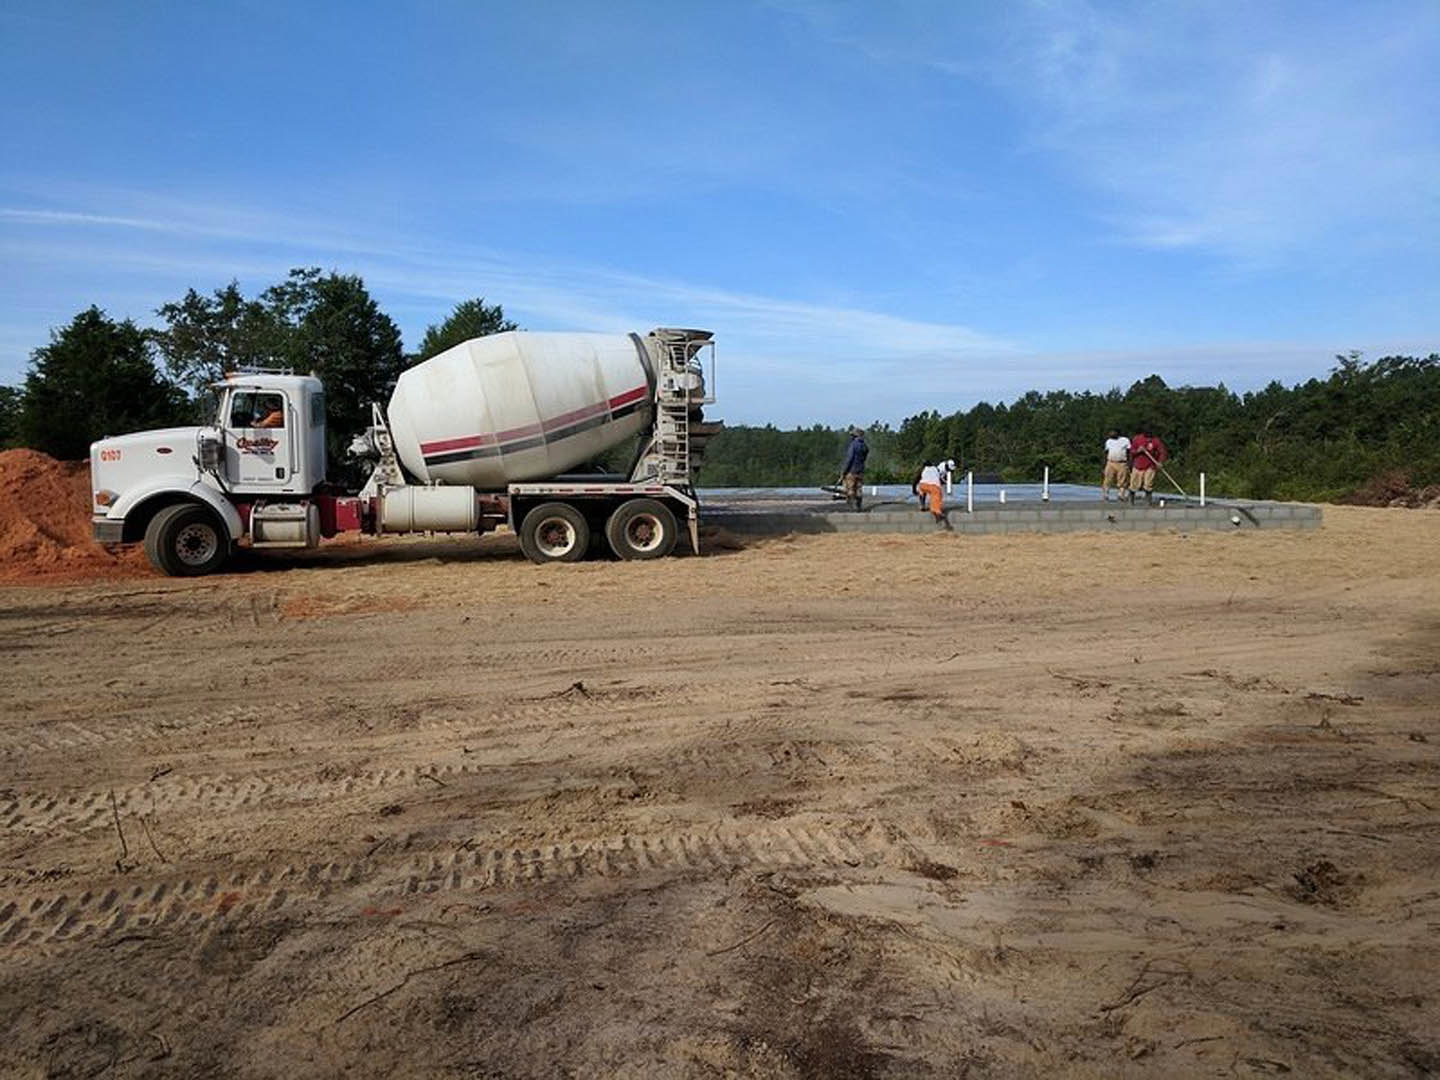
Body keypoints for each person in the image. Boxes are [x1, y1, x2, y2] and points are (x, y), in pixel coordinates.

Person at [1128, 425, 1169, 504]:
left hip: (1150, 465)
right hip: (1138, 465)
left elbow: (1162, 452)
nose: (1148, 435)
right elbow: (1131, 451)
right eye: (1147, 433)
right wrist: (1138, 451)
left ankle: (1148, 499)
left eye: (1150, 433)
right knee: (1134, 484)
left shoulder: (1155, 441)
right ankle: (1131, 498)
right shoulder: (1137, 439)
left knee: (1148, 483)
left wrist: (1160, 462)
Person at [840, 426, 868, 511]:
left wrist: (844, 471)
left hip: (851, 471)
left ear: (855, 436)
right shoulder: (864, 446)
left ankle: (853, 507)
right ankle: (859, 506)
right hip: (860, 470)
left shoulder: (853, 445)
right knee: (859, 489)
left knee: (850, 489)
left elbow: (849, 459)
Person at [916, 461, 949, 527]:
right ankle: (936, 511)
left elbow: (916, 479)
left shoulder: (922, 469)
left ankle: (922, 506)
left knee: (922, 492)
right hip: (934, 486)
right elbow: (939, 479)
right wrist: (945, 482)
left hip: (923, 485)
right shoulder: (935, 469)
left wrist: (914, 490)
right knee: (936, 497)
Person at [1101, 429, 1131, 500]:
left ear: (1117, 433)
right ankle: (1106, 494)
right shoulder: (1109, 441)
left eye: (1113, 433)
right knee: (1108, 478)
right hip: (1111, 462)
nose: (1111, 434)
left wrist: (1129, 463)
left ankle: (1121, 494)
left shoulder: (1125, 440)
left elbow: (1129, 451)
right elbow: (1106, 452)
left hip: (1122, 462)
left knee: (1122, 479)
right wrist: (1104, 464)